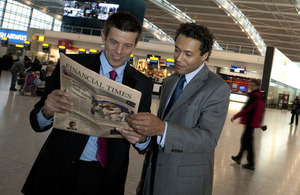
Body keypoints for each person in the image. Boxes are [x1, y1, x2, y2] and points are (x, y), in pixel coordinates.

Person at [21, 12, 152, 195]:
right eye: (114, 42)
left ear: (136, 45)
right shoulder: (72, 66)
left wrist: (142, 140)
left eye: (127, 45)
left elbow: (144, 142)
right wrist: (47, 111)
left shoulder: (142, 84)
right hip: (59, 168)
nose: (119, 51)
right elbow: (37, 122)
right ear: (103, 36)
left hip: (106, 176)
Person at [117, 23, 230, 195]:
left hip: (184, 184)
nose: (178, 58)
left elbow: (208, 138)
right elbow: (159, 135)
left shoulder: (216, 88)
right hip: (154, 176)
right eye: (177, 50)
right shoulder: (170, 82)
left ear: (204, 55)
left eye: (188, 54)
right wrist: (145, 174)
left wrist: (163, 128)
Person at [231, 79, 265, 170]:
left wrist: (235, 116)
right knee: (246, 141)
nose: (250, 86)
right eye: (250, 85)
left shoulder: (254, 96)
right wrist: (259, 123)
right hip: (252, 123)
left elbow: (246, 109)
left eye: (253, 85)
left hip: (250, 123)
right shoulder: (260, 96)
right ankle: (239, 157)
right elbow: (261, 111)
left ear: (258, 87)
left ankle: (251, 163)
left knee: (247, 142)